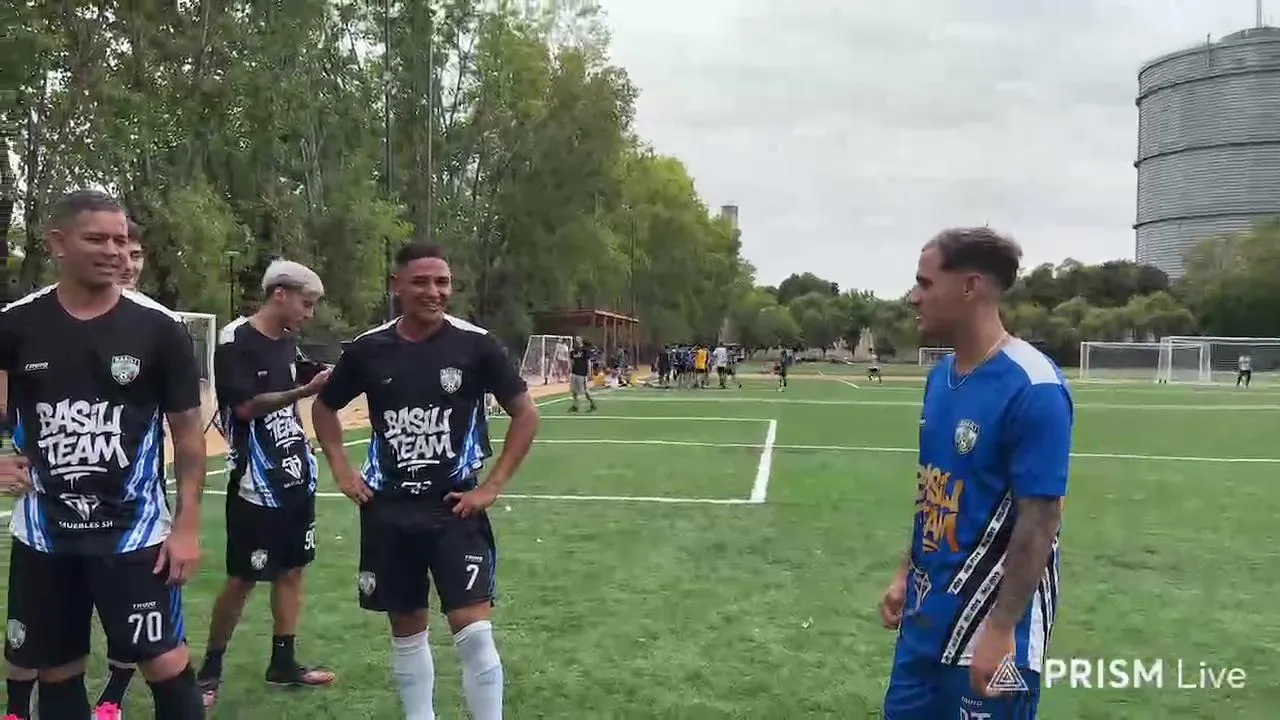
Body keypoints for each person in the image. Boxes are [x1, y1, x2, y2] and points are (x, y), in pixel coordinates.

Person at [0, 189, 207, 720]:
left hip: (134, 534)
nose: (114, 251)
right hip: (45, 534)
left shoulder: (160, 329)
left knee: (166, 665)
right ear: (58, 243)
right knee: (57, 671)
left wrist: (186, 526)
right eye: (97, 239)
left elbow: (188, 436)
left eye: (120, 240)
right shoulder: (16, 324)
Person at [311, 242, 539, 720]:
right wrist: (342, 469)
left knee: (474, 635)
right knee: (407, 631)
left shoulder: (476, 344)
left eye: (442, 282)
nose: (433, 291)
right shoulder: (368, 349)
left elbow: (525, 414)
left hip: (455, 507)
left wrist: (491, 486)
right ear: (396, 286)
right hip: (389, 510)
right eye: (420, 282)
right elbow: (325, 407)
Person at [879, 227, 1072, 719]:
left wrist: (1002, 628)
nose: (914, 296)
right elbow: (932, 491)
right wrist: (905, 572)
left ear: (970, 286)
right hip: (924, 622)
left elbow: (1041, 520)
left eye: (925, 283)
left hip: (988, 635)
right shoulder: (939, 378)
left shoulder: (1034, 387)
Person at [195, 261, 337, 709]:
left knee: (293, 569)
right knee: (243, 577)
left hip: (294, 474)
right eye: (305, 303)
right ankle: (209, 670)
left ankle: (283, 663)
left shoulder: (288, 342)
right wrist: (304, 391)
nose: (309, 313)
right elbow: (245, 408)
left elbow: (291, 392)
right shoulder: (235, 340)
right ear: (279, 293)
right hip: (254, 482)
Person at [568, 337, 596, 412]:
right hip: (574, 372)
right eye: (575, 340)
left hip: (582, 373)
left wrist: (589, 372)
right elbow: (572, 361)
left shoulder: (585, 350)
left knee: (585, 391)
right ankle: (575, 406)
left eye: (578, 339)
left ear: (581, 341)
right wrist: (570, 369)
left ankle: (592, 403)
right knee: (574, 391)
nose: (576, 341)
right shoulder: (573, 351)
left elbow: (589, 361)